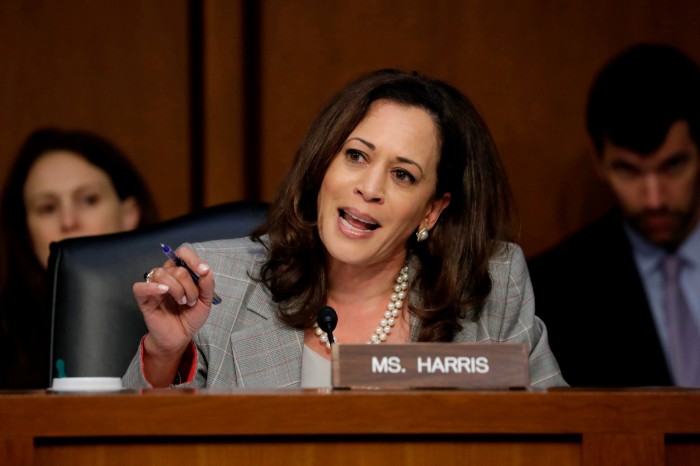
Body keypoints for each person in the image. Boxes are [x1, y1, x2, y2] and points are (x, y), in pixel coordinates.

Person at [123, 69, 566, 389]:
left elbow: (557, 433)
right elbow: (127, 448)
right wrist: (165, 356)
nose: (369, 188)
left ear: (431, 211)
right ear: (323, 165)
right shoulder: (218, 283)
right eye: (357, 156)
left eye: (403, 175)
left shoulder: (490, 288)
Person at [528, 43, 700, 387]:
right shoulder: (550, 292)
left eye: (673, 166)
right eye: (628, 171)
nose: (654, 199)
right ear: (598, 159)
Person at [0, 128, 158, 389]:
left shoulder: (180, 315)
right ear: (26, 231)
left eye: (89, 199)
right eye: (48, 208)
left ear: (130, 213)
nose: (69, 221)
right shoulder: (6, 334)